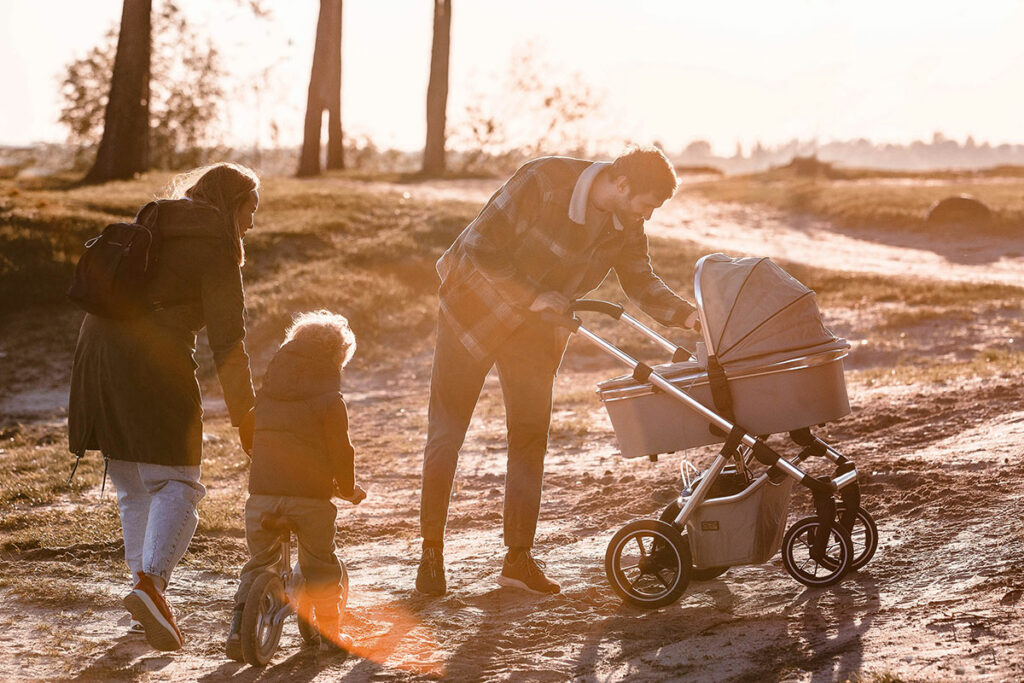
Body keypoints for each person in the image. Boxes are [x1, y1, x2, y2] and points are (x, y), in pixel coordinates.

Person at [416, 146, 699, 596]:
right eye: (646, 202)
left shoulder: (627, 223)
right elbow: (479, 246)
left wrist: (687, 317)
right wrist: (531, 294)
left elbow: (640, 279)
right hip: (471, 310)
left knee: (530, 436)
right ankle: (431, 551)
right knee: (448, 430)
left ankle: (518, 558)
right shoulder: (543, 180)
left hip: (535, 327)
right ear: (621, 183)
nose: (648, 214)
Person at [68, 163, 261, 651]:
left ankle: (143, 601)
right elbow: (229, 343)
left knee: (135, 488)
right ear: (231, 205)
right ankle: (151, 585)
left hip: (94, 351)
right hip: (150, 361)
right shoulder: (216, 245)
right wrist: (247, 417)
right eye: (250, 211)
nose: (252, 225)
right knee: (179, 483)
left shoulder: (154, 221)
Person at [226, 310, 367, 659]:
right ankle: (331, 632)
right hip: (310, 502)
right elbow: (341, 451)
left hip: (262, 498)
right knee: (321, 563)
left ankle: (237, 626)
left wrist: (257, 456)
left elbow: (248, 426)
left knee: (259, 563)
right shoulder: (331, 401)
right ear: (336, 359)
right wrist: (347, 487)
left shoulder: (270, 394)